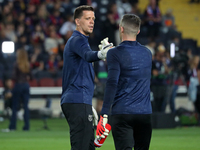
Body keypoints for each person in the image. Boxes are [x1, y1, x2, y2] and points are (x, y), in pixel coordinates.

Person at [96, 14, 152, 150]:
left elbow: (112, 82)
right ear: (138, 31)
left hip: (122, 112)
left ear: (121, 29)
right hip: (144, 113)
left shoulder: (114, 53)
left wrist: (104, 113)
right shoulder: (147, 53)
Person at [60, 5, 112, 150]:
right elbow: (88, 56)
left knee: (89, 147)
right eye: (87, 18)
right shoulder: (78, 40)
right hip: (78, 100)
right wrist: (101, 54)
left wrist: (87, 106)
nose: (92, 22)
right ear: (77, 21)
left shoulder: (79, 41)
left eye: (93, 19)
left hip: (79, 101)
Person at [8, 49, 31, 131]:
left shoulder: (16, 64)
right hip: (26, 85)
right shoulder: (27, 64)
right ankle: (26, 126)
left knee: (14, 106)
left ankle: (12, 126)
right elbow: (31, 76)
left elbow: (14, 76)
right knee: (26, 106)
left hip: (18, 85)